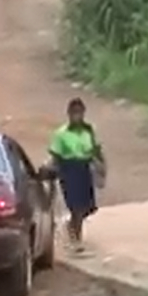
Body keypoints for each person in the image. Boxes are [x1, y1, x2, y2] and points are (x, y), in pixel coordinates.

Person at [48, 98, 105, 254]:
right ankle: (76, 238)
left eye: (80, 113)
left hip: (84, 168)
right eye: (74, 113)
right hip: (68, 170)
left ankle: (71, 225)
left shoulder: (88, 131)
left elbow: (96, 151)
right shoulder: (61, 134)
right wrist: (51, 171)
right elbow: (55, 155)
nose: (77, 116)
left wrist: (101, 169)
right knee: (75, 205)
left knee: (88, 207)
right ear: (69, 114)